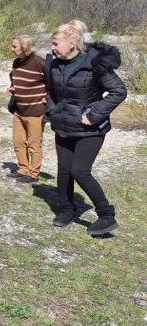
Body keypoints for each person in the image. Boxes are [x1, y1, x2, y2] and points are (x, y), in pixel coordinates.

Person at [45, 19, 126, 236]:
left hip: (90, 130)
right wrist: (52, 110)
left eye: (55, 43)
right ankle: (66, 210)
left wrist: (94, 114)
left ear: (72, 43)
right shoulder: (53, 64)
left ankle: (106, 215)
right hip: (63, 125)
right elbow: (50, 91)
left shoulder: (95, 63)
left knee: (79, 170)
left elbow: (118, 91)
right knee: (64, 170)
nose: (52, 47)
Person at [6, 34, 47, 184]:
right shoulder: (16, 62)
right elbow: (16, 80)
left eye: (14, 46)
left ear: (24, 48)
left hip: (36, 112)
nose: (12, 49)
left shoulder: (40, 63)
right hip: (19, 110)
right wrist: (12, 88)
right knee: (18, 142)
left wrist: (48, 98)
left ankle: (33, 173)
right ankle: (23, 169)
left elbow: (55, 82)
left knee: (34, 145)